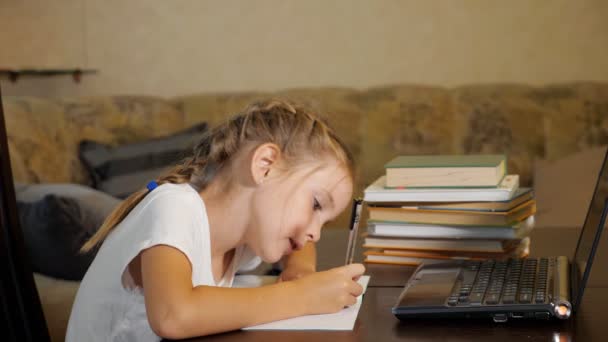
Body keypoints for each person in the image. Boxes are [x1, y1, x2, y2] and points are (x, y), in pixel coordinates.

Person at [66, 99, 365, 341]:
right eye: (315, 205)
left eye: (324, 222)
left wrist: (300, 271)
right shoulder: (174, 207)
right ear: (265, 166)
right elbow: (174, 316)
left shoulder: (242, 236)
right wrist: (302, 296)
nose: (315, 234)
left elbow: (301, 245)